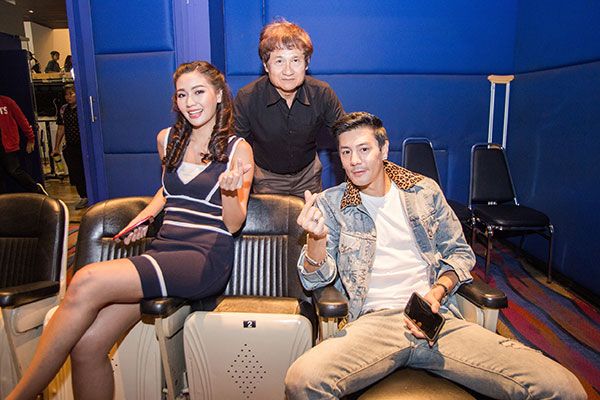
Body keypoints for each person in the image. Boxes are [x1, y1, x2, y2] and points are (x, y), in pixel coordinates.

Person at [285, 112, 586, 400]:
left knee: (562, 387)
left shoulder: (423, 191)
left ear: (384, 149)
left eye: (364, 149)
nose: (354, 160)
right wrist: (316, 239)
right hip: (373, 324)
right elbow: (314, 280)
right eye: (346, 152)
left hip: (436, 317)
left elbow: (459, 253)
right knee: (303, 380)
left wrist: (438, 292)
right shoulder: (332, 203)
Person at [7, 61, 254, 400]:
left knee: (86, 279)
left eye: (199, 92)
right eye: (182, 94)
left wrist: (228, 191)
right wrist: (146, 216)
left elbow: (234, 223)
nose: (190, 102)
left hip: (204, 257)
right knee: (88, 345)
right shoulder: (167, 139)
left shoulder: (238, 149)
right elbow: (169, 189)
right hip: (165, 248)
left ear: (219, 95)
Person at [234, 19, 344, 198]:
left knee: (312, 217)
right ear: (266, 65)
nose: (288, 71)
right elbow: (236, 147)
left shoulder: (322, 93)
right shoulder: (247, 98)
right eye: (279, 61)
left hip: (308, 176)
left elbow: (345, 134)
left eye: (295, 60)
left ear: (306, 63)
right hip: (266, 179)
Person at [0, 95, 46, 194]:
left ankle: (36, 189)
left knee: (14, 170)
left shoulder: (7, 102)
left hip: (8, 144)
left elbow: (21, 119)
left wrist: (31, 138)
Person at [52, 85, 88, 209]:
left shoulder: (83, 108)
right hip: (71, 145)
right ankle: (83, 196)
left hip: (84, 145)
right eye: (66, 94)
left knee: (85, 171)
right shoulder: (63, 110)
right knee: (76, 172)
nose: (68, 97)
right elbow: (61, 128)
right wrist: (56, 147)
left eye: (71, 94)